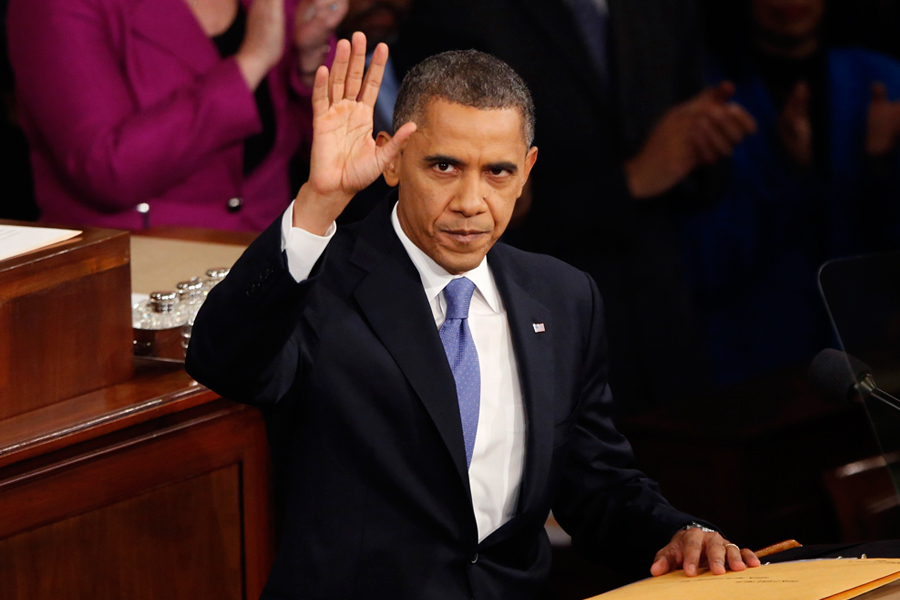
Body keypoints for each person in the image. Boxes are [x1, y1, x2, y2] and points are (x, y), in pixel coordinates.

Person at [186, 32, 760, 598]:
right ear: (391, 159)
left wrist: (680, 532)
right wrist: (318, 202)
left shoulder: (563, 297)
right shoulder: (320, 282)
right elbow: (223, 362)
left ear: (528, 169)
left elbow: (596, 484)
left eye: (498, 172)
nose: (469, 200)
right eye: (443, 167)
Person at [389, 0, 759, 414]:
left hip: (669, 328)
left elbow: (696, 158)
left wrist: (707, 141)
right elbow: (447, 200)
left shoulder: (665, 10)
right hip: (535, 332)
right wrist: (630, 181)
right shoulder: (460, 13)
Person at [680, 0, 900, 385]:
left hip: (875, 346)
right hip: (755, 354)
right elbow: (703, 257)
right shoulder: (706, 95)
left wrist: (880, 162)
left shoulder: (881, 77)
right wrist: (788, 174)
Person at [6, 0, 346, 231]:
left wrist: (308, 59)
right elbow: (105, 168)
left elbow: (327, 155)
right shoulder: (54, 7)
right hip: (132, 280)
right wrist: (251, 62)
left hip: (267, 270)